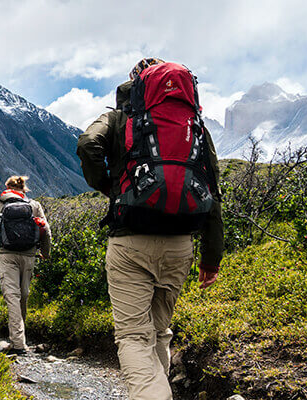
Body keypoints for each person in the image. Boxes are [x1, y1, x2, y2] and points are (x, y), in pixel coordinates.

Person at [76, 58, 224, 399]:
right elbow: (212, 190)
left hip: (131, 242)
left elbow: (87, 145)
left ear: (136, 83)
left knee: (132, 337)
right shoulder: (195, 125)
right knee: (159, 330)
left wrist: (111, 187)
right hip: (181, 245)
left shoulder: (119, 117)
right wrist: (211, 258)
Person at [0, 175, 51, 355]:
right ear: (24, 189)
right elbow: (46, 231)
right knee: (23, 296)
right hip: (29, 256)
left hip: (7, 256)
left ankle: (18, 343)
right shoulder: (34, 206)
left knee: (12, 296)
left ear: (7, 188)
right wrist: (45, 252)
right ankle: (20, 338)